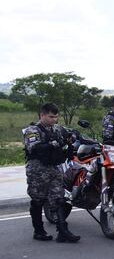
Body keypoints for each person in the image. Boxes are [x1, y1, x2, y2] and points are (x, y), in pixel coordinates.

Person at [23, 103, 79, 243]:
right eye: (51, 117)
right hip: (37, 169)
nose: (54, 119)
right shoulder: (33, 130)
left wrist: (72, 136)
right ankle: (39, 231)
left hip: (54, 168)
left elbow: (73, 133)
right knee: (38, 200)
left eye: (56, 116)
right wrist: (56, 143)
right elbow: (35, 148)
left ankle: (63, 231)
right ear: (42, 115)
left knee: (59, 198)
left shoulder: (58, 129)